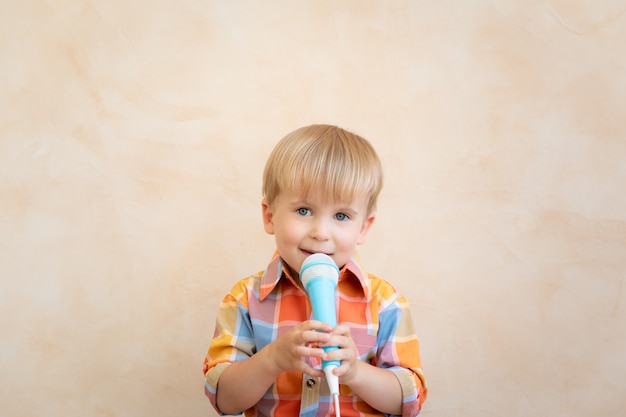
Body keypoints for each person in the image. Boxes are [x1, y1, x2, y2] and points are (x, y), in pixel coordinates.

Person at [203, 124, 427, 417]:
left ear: (364, 227)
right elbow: (224, 399)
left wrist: (355, 372)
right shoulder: (244, 299)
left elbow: (409, 401)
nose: (321, 232)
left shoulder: (385, 302)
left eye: (341, 215)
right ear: (270, 216)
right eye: (304, 210)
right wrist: (272, 360)